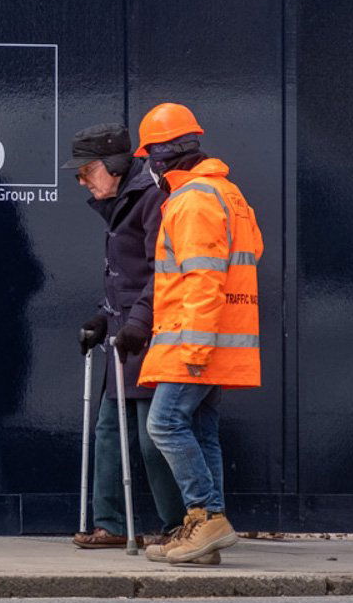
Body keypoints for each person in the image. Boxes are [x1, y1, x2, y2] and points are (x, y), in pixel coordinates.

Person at [133, 103, 263, 565]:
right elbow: (254, 251)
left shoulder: (193, 201)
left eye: (149, 155)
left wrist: (195, 346)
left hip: (196, 341)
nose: (147, 165)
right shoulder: (228, 194)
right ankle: (206, 526)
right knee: (202, 431)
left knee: (164, 424)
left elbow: (204, 279)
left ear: (162, 157)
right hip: (218, 342)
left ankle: (206, 519)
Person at [63, 123, 201, 558]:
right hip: (126, 338)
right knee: (108, 429)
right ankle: (110, 524)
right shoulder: (122, 203)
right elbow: (124, 281)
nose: (81, 181)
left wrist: (138, 323)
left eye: (85, 172)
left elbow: (161, 273)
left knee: (150, 436)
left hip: (153, 337)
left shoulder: (152, 202)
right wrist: (103, 320)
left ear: (114, 166)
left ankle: (177, 525)